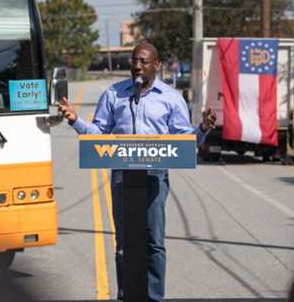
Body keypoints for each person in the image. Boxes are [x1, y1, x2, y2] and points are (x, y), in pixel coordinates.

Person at [58, 41, 216, 301]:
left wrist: (203, 128)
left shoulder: (171, 98)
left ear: (157, 65)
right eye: (134, 61)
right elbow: (100, 133)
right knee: (125, 243)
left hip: (155, 177)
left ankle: (153, 297)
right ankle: (126, 296)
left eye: (143, 61)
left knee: (153, 241)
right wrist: (77, 121)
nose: (137, 66)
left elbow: (185, 140)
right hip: (123, 175)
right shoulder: (114, 94)